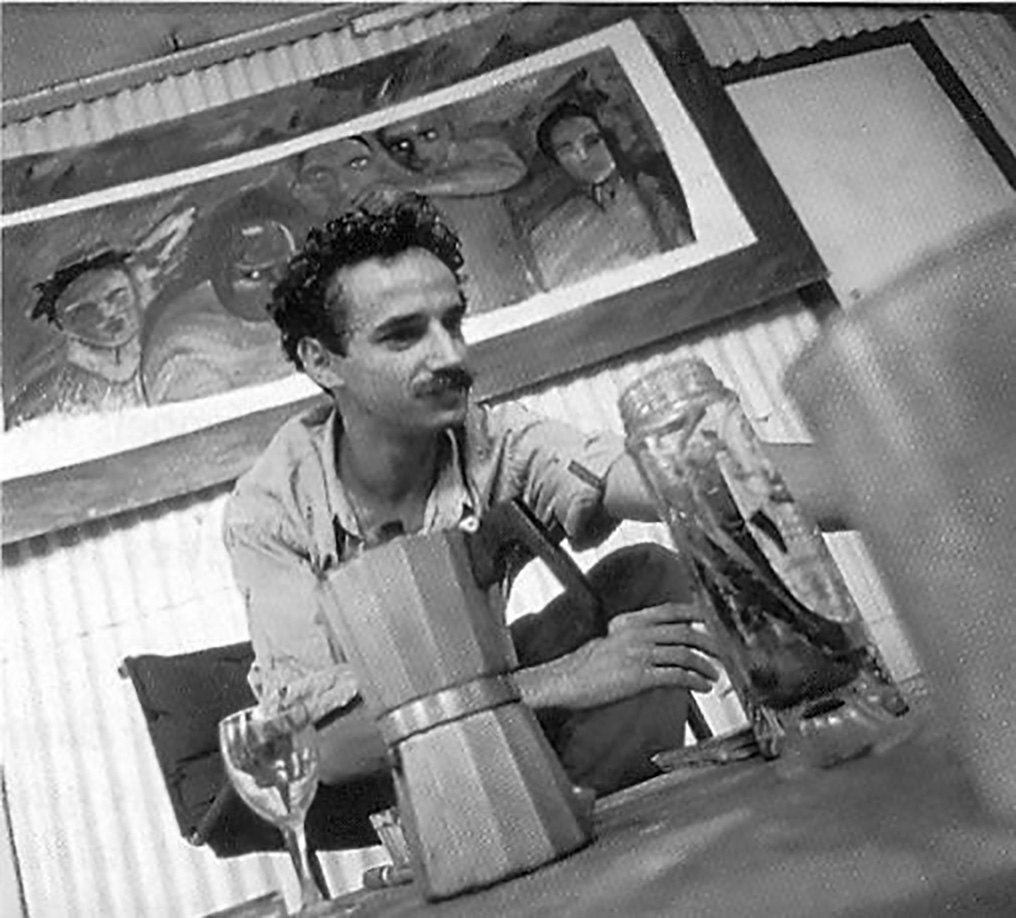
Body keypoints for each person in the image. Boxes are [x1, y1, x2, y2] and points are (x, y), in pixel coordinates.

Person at [223, 195, 844, 810]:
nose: (451, 356)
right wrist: (561, 680)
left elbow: (666, 475)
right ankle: (549, 827)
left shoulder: (496, 441)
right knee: (387, 730)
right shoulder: (270, 509)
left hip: (501, 706)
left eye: (452, 323)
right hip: (387, 762)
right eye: (403, 336)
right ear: (320, 360)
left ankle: (608, 813)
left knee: (647, 577)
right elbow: (325, 750)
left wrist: (877, 479)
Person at [7, 207, 194, 425]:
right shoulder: (55, 390)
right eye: (85, 311)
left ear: (135, 289)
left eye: (117, 297)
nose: (107, 313)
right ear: (63, 324)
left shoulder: (171, 350)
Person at [142, 188, 305, 404]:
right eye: (256, 275)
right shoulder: (186, 348)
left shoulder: (312, 299)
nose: (278, 283)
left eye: (285, 267)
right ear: (219, 274)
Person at [377, 115, 537, 314]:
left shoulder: (479, 152)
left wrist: (417, 187)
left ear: (447, 127)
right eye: (400, 145)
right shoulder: (389, 184)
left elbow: (511, 171)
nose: (419, 152)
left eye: (428, 135)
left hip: (513, 286)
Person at [531, 101, 696, 290]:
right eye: (567, 150)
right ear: (558, 162)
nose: (583, 155)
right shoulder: (564, 222)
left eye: (592, 141)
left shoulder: (654, 183)